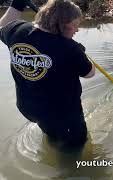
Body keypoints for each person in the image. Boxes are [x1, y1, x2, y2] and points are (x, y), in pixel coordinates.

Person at [0, 0, 95, 147]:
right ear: (63, 24)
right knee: (75, 146)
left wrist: (17, 5)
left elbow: (2, 26)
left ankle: (53, 140)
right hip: (63, 115)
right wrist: (81, 53)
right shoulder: (69, 48)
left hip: (29, 107)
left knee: (51, 132)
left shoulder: (16, 30)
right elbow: (89, 73)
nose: (77, 30)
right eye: (75, 25)